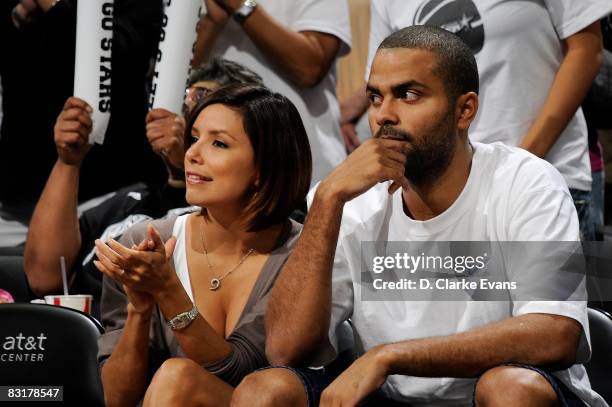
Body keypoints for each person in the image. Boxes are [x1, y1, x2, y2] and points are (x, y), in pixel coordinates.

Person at [232, 26, 605, 406]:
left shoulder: (527, 182)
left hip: (492, 394)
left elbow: (556, 333)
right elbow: (284, 350)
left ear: (465, 110)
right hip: (392, 399)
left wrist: (390, 356)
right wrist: (327, 200)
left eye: (409, 95)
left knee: (509, 389)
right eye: (375, 97)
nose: (384, 116)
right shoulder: (350, 199)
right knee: (264, 390)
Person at [95, 83, 312, 407]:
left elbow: (238, 372)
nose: (192, 154)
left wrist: (167, 290)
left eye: (219, 144)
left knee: (178, 377)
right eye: (194, 138)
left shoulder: (301, 255)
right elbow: (117, 398)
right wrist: (140, 309)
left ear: (263, 169)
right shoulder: (141, 243)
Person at [341, 0, 612, 240]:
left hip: (543, 180)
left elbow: (586, 51)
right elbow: (388, 72)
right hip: (436, 196)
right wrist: (347, 113)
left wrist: (517, 169)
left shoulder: (532, 183)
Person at [23, 59, 263, 319]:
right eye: (182, 95)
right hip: (78, 336)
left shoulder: (233, 213)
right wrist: (69, 161)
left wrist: (188, 159)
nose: (184, 105)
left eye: (201, 98)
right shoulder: (131, 199)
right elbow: (43, 276)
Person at [193, 0, 351, 184]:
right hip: (211, 169)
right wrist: (212, 22)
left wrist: (241, 6)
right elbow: (172, 78)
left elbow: (310, 68)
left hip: (302, 169)